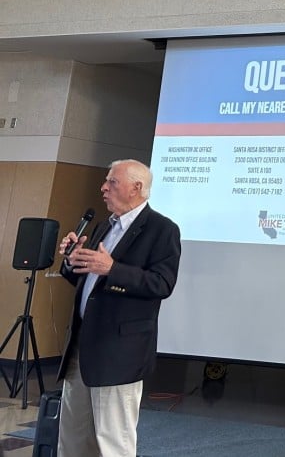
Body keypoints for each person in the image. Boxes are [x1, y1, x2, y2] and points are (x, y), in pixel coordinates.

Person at [55, 159, 181, 457]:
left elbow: (162, 284)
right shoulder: (103, 226)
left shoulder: (162, 229)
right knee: (72, 437)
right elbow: (89, 284)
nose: (103, 187)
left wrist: (113, 269)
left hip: (119, 353)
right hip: (83, 347)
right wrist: (72, 261)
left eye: (112, 182)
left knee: (113, 442)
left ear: (137, 188)